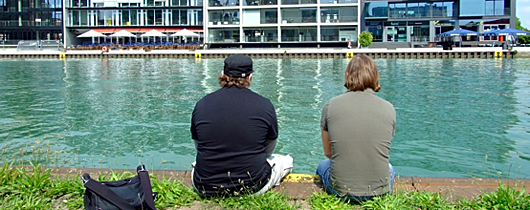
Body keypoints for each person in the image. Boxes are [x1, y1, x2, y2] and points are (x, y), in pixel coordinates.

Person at [190, 54, 293, 198]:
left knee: (196, 162)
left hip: (204, 185)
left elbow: (199, 145)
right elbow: (269, 147)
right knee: (287, 160)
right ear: (249, 77)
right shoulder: (264, 104)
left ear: (223, 74)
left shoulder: (201, 104)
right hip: (253, 185)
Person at [316, 55, 396, 203]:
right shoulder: (389, 108)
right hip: (380, 190)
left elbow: (328, 153)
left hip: (340, 189)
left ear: (347, 75)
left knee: (323, 165)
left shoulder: (330, 106)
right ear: (375, 76)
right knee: (390, 168)